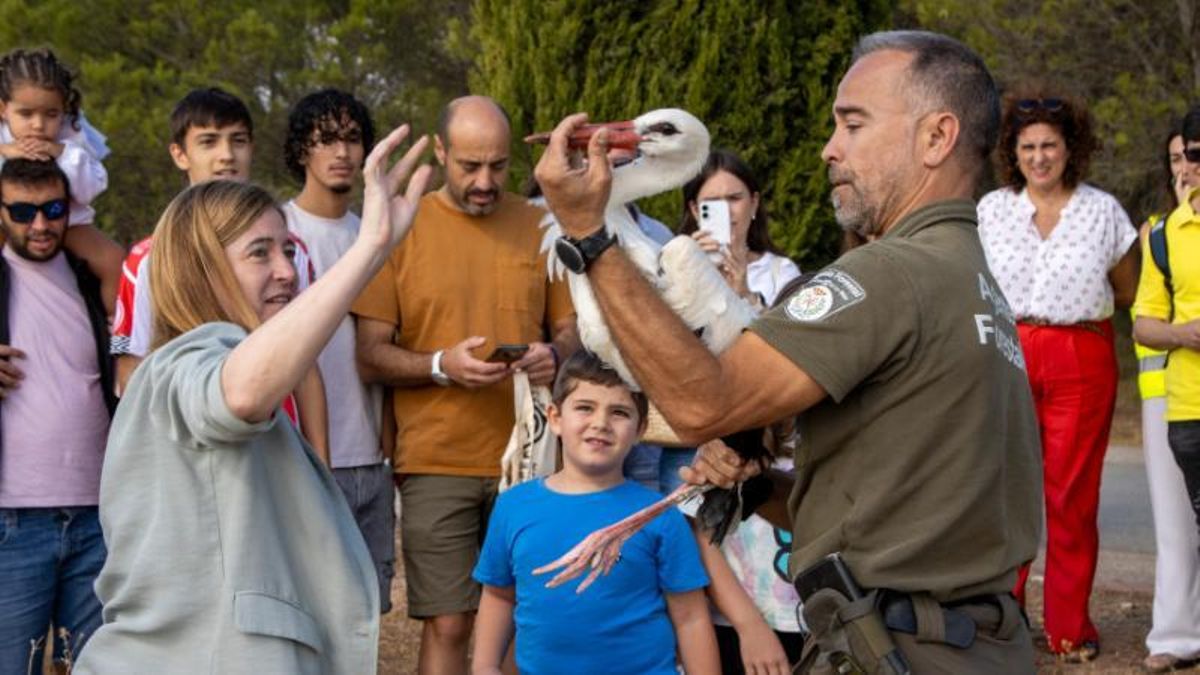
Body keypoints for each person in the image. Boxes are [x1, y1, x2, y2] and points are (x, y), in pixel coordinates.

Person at [534, 29, 1041, 673]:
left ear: (936, 138)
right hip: (969, 643)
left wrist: (588, 233)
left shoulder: (888, 274)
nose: (830, 148)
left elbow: (701, 405)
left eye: (853, 124)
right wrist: (755, 487)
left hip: (904, 646)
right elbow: (886, 510)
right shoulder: (971, 281)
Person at [74, 126, 431, 674]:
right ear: (202, 269)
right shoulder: (178, 365)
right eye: (259, 253)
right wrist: (369, 249)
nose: (287, 270)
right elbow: (239, 395)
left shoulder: (216, 364)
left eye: (287, 249)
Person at [353, 95, 577, 674]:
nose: (485, 181)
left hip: (530, 460)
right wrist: (439, 366)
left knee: (523, 620)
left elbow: (571, 331)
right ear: (440, 151)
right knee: (449, 622)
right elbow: (369, 355)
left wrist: (555, 355)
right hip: (435, 459)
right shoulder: (401, 228)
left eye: (498, 166)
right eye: (470, 166)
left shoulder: (539, 224)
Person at [976, 88, 1138, 661]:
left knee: (1071, 496)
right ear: (1012, 152)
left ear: (1071, 148)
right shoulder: (991, 210)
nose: (1039, 157)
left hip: (1080, 352)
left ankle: (1069, 629)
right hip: (1008, 351)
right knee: (1007, 490)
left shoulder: (1103, 211)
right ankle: (1002, 619)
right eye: (1028, 147)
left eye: (1049, 145)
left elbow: (1127, 290)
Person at [109, 87, 328, 459]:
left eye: (238, 140)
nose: (227, 155)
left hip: (281, 456)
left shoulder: (293, 252)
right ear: (179, 154)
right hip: (197, 457)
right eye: (209, 142)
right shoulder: (147, 259)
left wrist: (321, 469)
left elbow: (305, 364)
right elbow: (131, 367)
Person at [471, 350, 717, 674]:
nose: (600, 423)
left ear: (640, 429)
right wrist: (484, 667)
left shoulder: (659, 514)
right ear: (555, 418)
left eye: (619, 412)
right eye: (585, 407)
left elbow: (690, 617)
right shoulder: (513, 506)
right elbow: (499, 596)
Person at [681, 149, 805, 673]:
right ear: (693, 210)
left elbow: (779, 363)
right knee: (702, 554)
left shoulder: (783, 272)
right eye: (712, 202)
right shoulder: (676, 266)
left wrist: (738, 293)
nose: (727, 211)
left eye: (735, 198)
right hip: (697, 443)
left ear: (754, 203)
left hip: (767, 444)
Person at [281, 88, 395, 612]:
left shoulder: (380, 233)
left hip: (372, 459)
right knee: (308, 613)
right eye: (325, 139)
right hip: (299, 458)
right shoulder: (278, 232)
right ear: (301, 148)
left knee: (367, 615)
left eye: (352, 139)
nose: (341, 152)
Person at [0, 159, 115, 671]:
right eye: (23, 212)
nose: (41, 224)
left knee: (93, 666)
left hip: (99, 516)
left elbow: (129, 358)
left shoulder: (93, 278)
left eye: (52, 209)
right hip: (13, 521)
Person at [1135, 104, 1200, 667]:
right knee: (1178, 524)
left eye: (1193, 156)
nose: (1187, 167)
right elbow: (1145, 320)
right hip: (1172, 393)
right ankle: (1176, 634)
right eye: (1180, 157)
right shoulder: (1159, 234)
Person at [0, 47, 123, 315]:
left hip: (65, 223)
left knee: (114, 261)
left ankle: (114, 329)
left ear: (64, 110)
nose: (38, 125)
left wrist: (62, 153)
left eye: (51, 114)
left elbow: (90, 189)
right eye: (26, 114)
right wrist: (4, 152)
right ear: (3, 108)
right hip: (7, 223)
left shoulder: (72, 134)